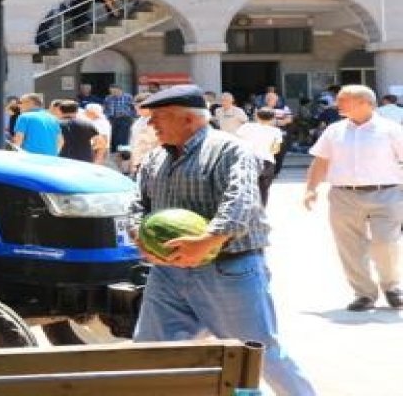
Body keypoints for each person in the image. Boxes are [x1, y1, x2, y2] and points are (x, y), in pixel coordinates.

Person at [130, 85, 316, 396]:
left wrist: (208, 239)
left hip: (228, 270)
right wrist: (139, 235)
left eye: (159, 118)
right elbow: (137, 202)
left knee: (257, 354)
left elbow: (241, 199)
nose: (151, 125)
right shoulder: (154, 160)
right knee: (153, 351)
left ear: (189, 120)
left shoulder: (229, 149)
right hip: (168, 272)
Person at [302, 84, 403, 311]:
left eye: (343, 100)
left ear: (364, 103)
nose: (338, 104)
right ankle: (364, 293)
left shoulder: (391, 130)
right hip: (344, 195)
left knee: (386, 243)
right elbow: (321, 161)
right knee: (349, 247)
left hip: (386, 194)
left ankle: (392, 287)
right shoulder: (334, 130)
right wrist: (311, 188)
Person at [236, 108, 284, 205]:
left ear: (257, 116)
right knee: (263, 189)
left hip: (248, 160)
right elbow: (276, 149)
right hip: (267, 161)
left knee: (246, 188)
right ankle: (261, 211)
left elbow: (237, 141)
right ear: (272, 118)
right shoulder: (276, 131)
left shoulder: (246, 127)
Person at [102, 85, 136, 152]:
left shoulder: (128, 97)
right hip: (112, 119)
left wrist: (126, 113)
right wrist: (107, 116)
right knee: (113, 137)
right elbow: (105, 109)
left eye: (114, 91)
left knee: (123, 138)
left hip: (125, 119)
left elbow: (134, 109)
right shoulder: (108, 98)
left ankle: (124, 154)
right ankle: (114, 153)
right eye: (111, 92)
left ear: (120, 90)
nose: (113, 93)